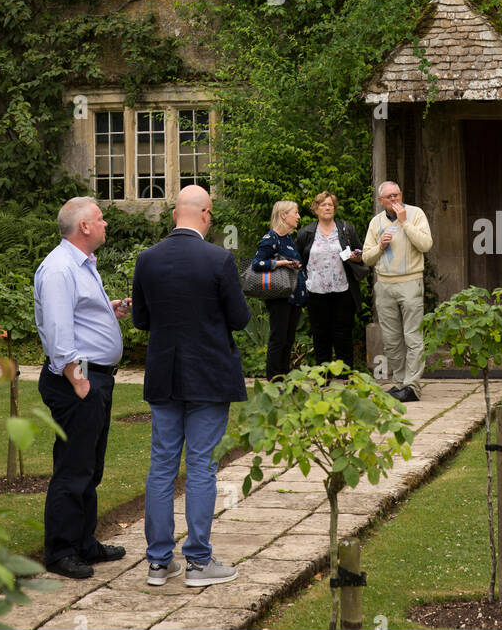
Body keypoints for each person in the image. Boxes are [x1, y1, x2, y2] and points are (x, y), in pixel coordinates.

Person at [131, 184, 251, 588]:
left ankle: (158, 562)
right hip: (209, 376)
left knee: (162, 466)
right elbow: (239, 318)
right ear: (205, 214)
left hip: (164, 374)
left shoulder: (147, 259)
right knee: (201, 465)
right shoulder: (219, 259)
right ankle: (198, 562)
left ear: (174, 215)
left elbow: (141, 321)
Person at [34, 196, 131, 579]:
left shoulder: (82, 265)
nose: (106, 223)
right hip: (77, 379)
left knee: (90, 467)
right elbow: (58, 330)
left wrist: (109, 307)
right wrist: (77, 379)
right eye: (101, 218)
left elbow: (77, 312)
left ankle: (84, 543)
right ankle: (60, 551)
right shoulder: (59, 268)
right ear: (84, 227)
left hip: (94, 378)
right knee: (73, 469)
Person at [362, 180, 433, 403]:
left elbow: (426, 244)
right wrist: (380, 247)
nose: (394, 200)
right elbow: (366, 257)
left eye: (397, 195)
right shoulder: (376, 222)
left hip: (410, 281)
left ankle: (412, 386)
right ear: (380, 201)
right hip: (384, 285)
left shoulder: (416, 214)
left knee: (412, 335)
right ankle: (401, 383)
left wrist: (405, 224)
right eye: (389, 197)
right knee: (392, 339)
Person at [295, 192, 366, 367]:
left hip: (343, 290)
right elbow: (298, 261)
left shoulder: (346, 229)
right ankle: (323, 375)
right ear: (316, 209)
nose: (327, 208)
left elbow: (362, 253)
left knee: (343, 334)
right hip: (316, 292)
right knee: (321, 335)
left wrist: (356, 256)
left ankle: (345, 375)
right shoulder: (306, 233)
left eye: (331, 205)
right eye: (323, 205)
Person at [251, 199, 305, 379]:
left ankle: (285, 377)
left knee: (288, 340)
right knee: (278, 339)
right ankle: (275, 380)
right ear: (284, 215)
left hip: (293, 297)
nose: (298, 216)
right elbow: (257, 264)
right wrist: (282, 263)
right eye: (295, 212)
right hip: (279, 297)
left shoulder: (288, 238)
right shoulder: (271, 238)